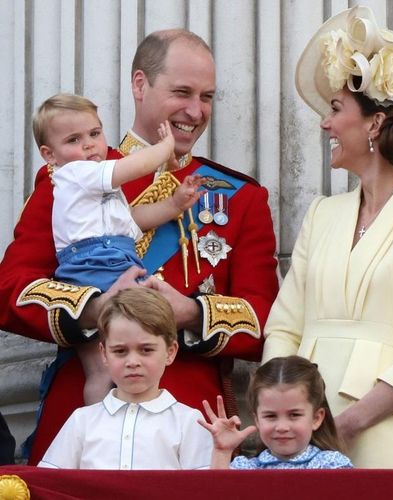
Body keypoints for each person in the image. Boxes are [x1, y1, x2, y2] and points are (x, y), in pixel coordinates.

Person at [0, 29, 279, 465]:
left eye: (206, 96)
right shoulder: (73, 171)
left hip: (188, 424)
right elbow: (11, 289)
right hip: (83, 416)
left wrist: (190, 313)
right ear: (139, 84)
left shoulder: (240, 198)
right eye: (182, 92)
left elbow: (266, 322)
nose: (195, 110)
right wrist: (94, 309)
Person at [262, 5, 393, 468]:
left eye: (335, 109)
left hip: (377, 427)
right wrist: (279, 412)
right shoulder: (322, 212)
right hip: (295, 434)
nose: (325, 123)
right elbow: (283, 326)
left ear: (374, 122)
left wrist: (346, 424)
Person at [33, 93, 206, 405]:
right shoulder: (75, 173)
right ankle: (104, 428)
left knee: (102, 371)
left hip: (106, 262)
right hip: (96, 269)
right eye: (74, 139)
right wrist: (165, 148)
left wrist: (173, 204)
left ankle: (103, 429)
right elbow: (129, 168)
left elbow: (132, 221)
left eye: (95, 134)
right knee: (146, 347)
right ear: (50, 154)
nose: (88, 145)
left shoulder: (95, 184)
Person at [38, 287, 212, 469]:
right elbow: (51, 482)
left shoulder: (188, 421)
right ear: (104, 354)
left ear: (170, 352)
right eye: (120, 351)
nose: (133, 362)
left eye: (146, 350)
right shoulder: (82, 420)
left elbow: (201, 488)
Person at [199, 355, 353, 469]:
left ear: (316, 418)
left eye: (294, 415)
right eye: (271, 416)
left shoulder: (332, 466)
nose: (282, 427)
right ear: (257, 420)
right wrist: (222, 452)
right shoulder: (246, 469)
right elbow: (219, 494)